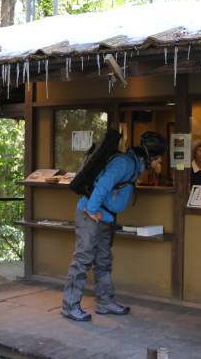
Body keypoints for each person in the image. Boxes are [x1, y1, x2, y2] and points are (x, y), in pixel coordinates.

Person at [61, 131, 168, 321]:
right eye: (160, 158)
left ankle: (105, 303)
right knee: (82, 260)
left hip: (106, 218)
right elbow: (103, 184)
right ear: (152, 155)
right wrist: (92, 210)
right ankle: (70, 306)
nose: (160, 162)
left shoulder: (137, 164)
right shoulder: (126, 163)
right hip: (92, 216)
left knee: (103, 262)